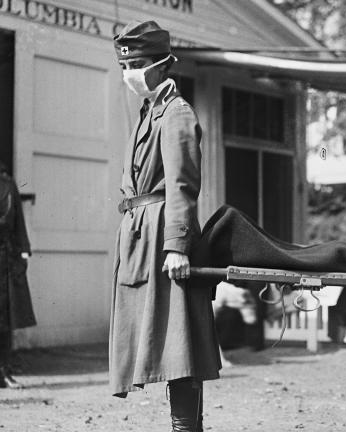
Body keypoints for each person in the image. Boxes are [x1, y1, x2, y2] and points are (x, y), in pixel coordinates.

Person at [110, 21, 220, 431]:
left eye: (136, 64)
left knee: (179, 346)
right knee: (164, 344)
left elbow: (182, 185)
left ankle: (186, 428)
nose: (129, 74)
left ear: (161, 65)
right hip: (140, 239)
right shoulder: (148, 113)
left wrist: (176, 245)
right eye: (124, 65)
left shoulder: (175, 114)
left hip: (162, 240)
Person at [0, 163, 34, 389]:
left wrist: (23, 252)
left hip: (5, 257)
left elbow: (18, 221)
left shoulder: (7, 182)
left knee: (4, 318)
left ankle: (3, 370)